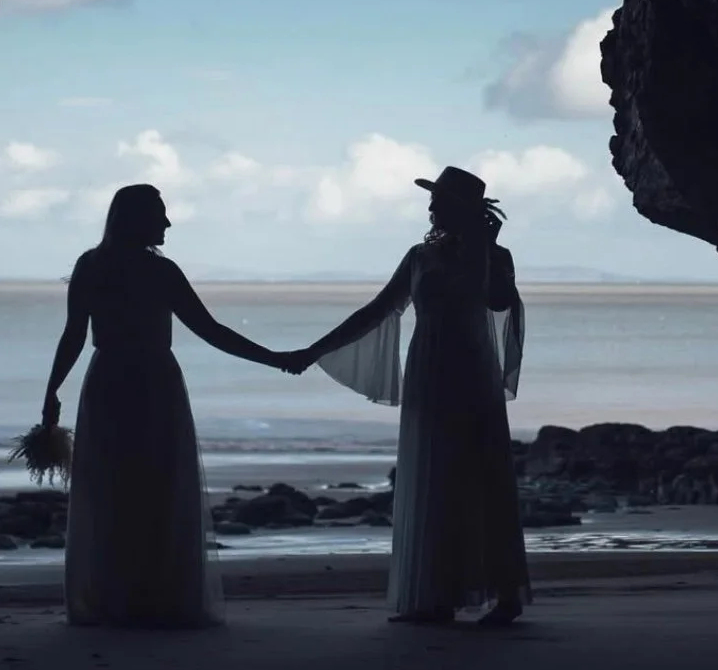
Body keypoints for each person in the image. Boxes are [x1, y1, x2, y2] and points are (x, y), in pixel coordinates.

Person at [282, 166, 530, 627]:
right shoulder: (419, 257)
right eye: (433, 199)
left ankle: (503, 594)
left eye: (441, 199)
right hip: (429, 370)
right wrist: (314, 351)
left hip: (473, 371)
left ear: (463, 208)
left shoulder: (496, 256)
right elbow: (377, 311)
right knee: (433, 475)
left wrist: (484, 248)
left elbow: (500, 302)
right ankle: (436, 595)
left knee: (480, 473)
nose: (431, 207)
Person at [43, 183, 289, 628]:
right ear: (137, 218)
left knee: (113, 489)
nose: (168, 223)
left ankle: (113, 596)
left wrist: (52, 391)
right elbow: (210, 330)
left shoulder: (92, 265)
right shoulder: (160, 272)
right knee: (158, 486)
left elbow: (74, 335)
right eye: (160, 214)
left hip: (109, 382)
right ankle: (158, 595)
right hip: (153, 383)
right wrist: (275, 359)